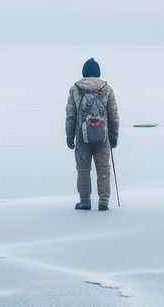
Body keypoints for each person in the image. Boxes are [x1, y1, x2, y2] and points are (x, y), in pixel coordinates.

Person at [65, 57, 119, 211]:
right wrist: (113, 138)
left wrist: (70, 137)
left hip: (82, 136)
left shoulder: (75, 88)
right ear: (98, 73)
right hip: (102, 136)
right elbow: (113, 115)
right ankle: (104, 202)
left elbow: (71, 115)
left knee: (83, 169)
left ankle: (85, 201)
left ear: (84, 72)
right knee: (103, 169)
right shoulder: (107, 89)